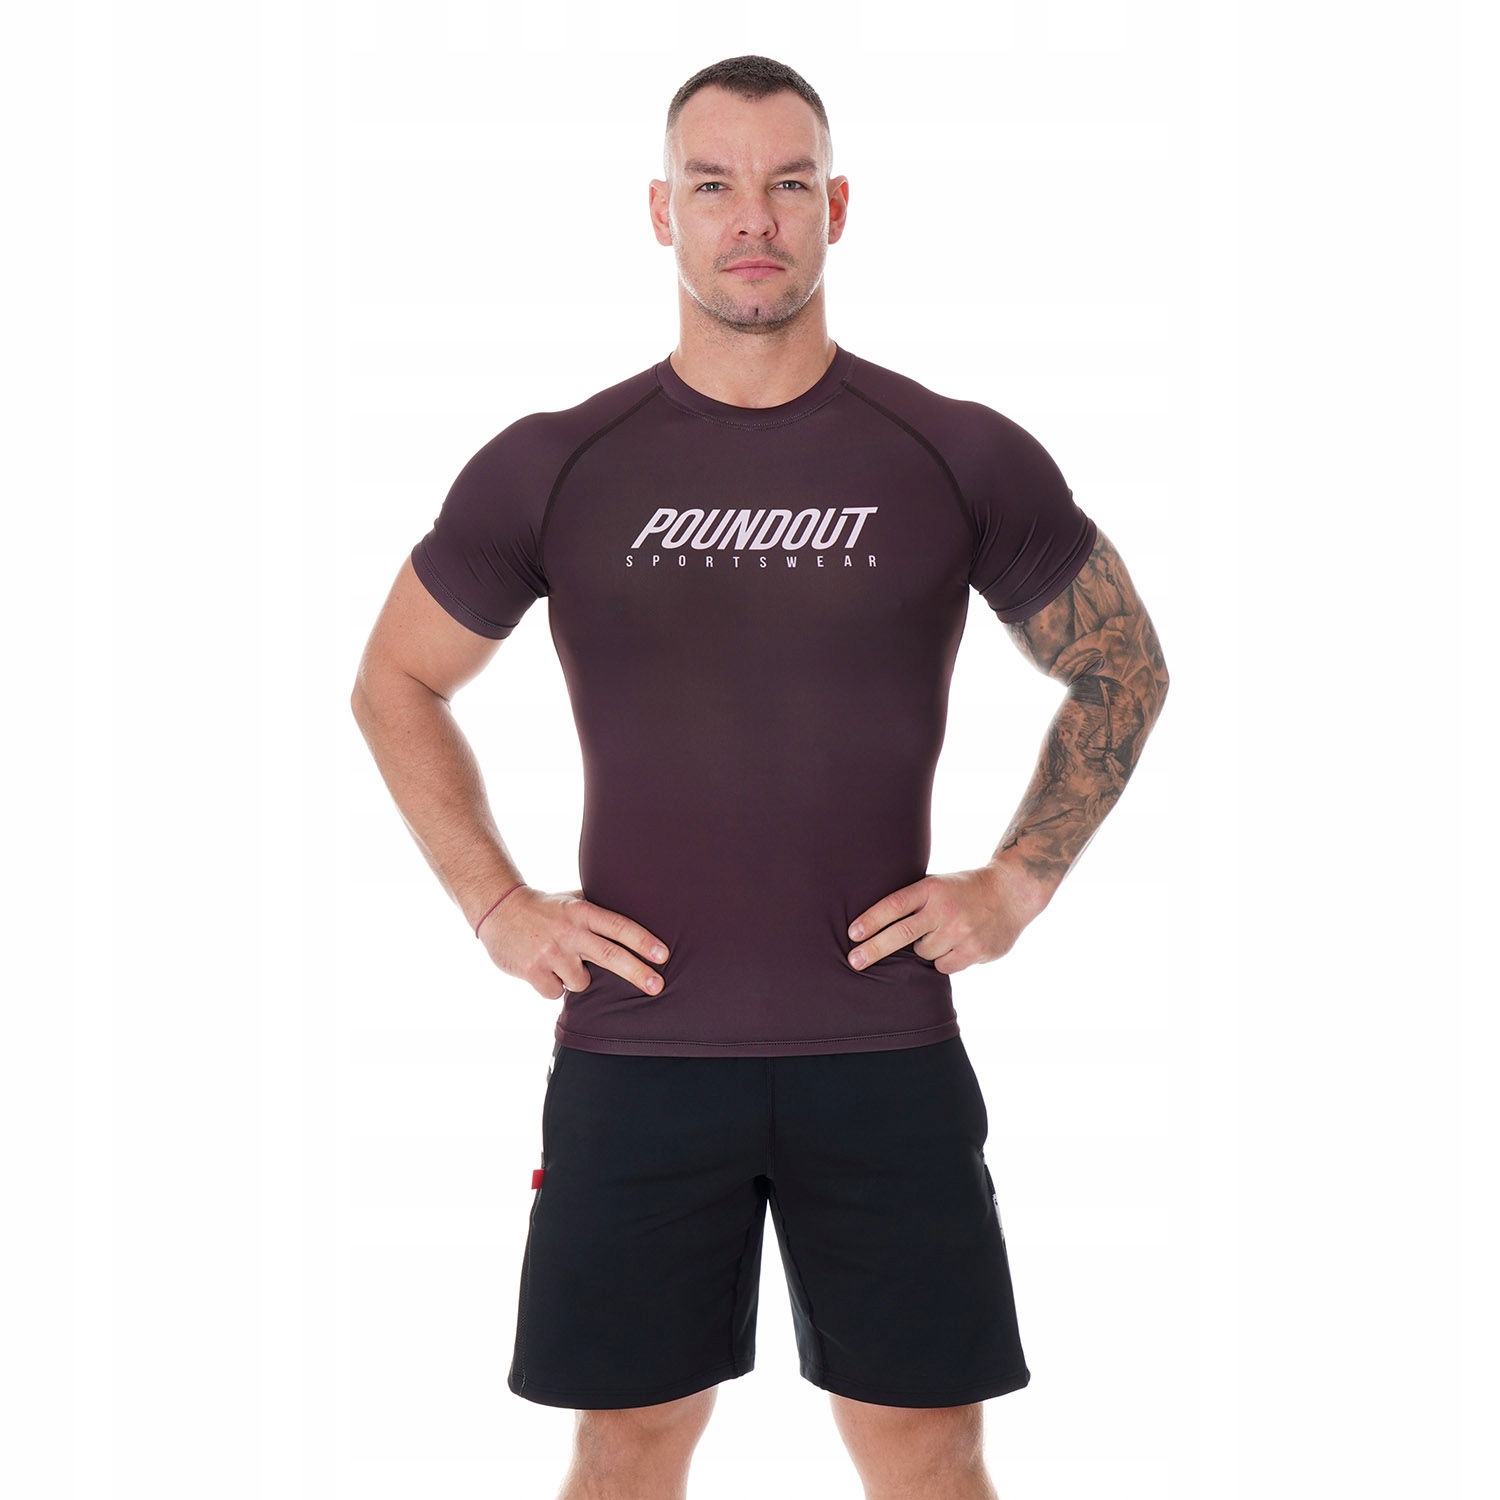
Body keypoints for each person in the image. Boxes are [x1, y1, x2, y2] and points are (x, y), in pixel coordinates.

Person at [351, 54, 1168, 1500]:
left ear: (836, 207)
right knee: (628, 1444)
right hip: (638, 1059)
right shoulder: (557, 464)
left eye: (790, 183)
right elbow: (395, 681)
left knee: (927, 1451)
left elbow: (1124, 666)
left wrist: (1018, 882)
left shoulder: (953, 452)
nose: (754, 218)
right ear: (660, 210)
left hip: (886, 1053)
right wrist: (496, 905)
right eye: (715, 184)